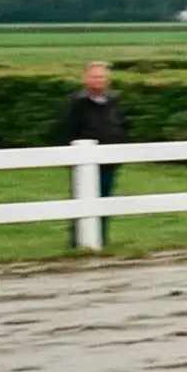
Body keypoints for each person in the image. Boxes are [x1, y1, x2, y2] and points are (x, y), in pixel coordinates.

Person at [54, 60, 127, 247]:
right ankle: (78, 242)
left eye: (101, 77)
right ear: (86, 79)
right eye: (94, 77)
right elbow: (66, 130)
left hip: (109, 161)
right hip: (84, 161)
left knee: (104, 200)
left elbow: (121, 126)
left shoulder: (113, 101)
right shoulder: (77, 103)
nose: (98, 80)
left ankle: (101, 240)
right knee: (83, 201)